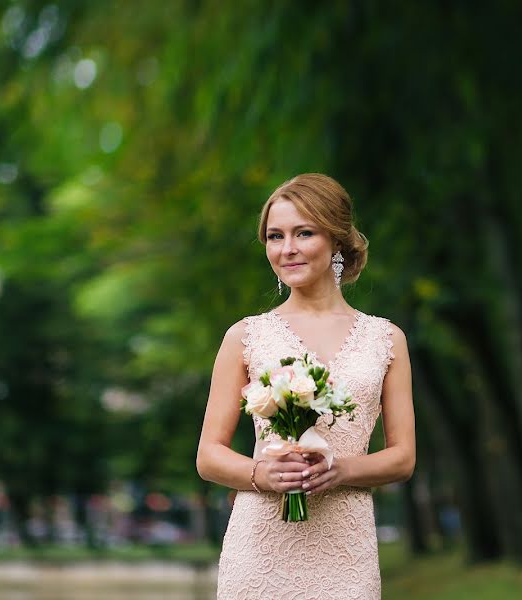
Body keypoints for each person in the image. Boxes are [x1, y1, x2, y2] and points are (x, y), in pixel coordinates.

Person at [196, 173, 415, 599]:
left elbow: (403, 458)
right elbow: (208, 456)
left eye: (304, 233)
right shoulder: (244, 336)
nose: (287, 248)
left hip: (345, 550)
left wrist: (342, 470)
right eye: (275, 237)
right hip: (259, 548)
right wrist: (261, 473)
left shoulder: (386, 340)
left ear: (336, 240)